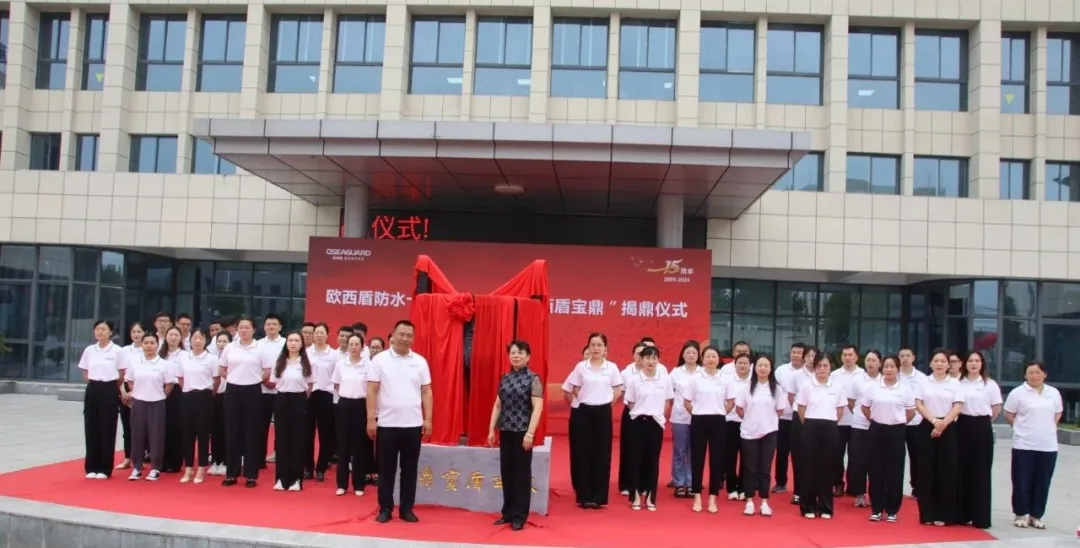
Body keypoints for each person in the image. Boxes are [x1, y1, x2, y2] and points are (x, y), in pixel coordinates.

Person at [367, 320, 432, 523]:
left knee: (409, 469)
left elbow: (426, 391)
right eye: (401, 334)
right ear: (393, 336)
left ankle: (406, 509)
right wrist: (370, 418)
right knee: (386, 469)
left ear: (413, 338)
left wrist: (428, 418)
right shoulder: (380, 360)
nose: (405, 339)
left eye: (409, 335)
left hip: (413, 425)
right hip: (387, 424)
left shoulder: (420, 361)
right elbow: (372, 390)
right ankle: (385, 508)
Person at [487, 340, 544, 530]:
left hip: (522, 433)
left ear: (528, 357)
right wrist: (491, 429)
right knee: (507, 473)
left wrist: (530, 433)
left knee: (521, 475)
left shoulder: (533, 379)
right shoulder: (505, 377)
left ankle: (519, 516)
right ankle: (508, 513)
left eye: (520, 352)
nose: (516, 356)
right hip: (506, 431)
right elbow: (498, 405)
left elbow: (537, 409)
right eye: (513, 352)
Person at [564, 332, 622, 509]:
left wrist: (605, 404)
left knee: (602, 453)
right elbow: (573, 388)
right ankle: (584, 495)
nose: (596, 348)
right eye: (593, 345)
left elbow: (617, 391)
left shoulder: (611, 367)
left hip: (603, 413)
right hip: (583, 412)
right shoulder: (581, 366)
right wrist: (583, 400)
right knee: (582, 453)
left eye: (599, 345)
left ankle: (598, 497)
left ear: (605, 348)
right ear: (589, 347)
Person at [1004, 361, 1063, 530]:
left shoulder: (1053, 393)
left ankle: (1036, 515)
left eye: (1038, 372)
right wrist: (1020, 429)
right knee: (1022, 480)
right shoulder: (1018, 393)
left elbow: (1057, 413)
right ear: (1025, 375)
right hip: (1024, 444)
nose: (1034, 376)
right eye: (1030, 372)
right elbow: (1009, 414)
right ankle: (1020, 514)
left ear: (1044, 374)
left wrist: (1048, 428)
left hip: (1048, 445)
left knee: (1042, 482)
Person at [860, 355, 916, 523]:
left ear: (897, 369)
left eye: (892, 366)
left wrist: (898, 422)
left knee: (895, 470)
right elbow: (865, 407)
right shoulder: (873, 387)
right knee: (875, 469)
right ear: (882, 368)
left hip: (896, 431)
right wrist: (875, 420)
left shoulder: (905, 389)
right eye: (886, 366)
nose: (889, 369)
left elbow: (911, 412)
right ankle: (876, 508)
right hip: (876, 429)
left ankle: (892, 509)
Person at [913, 348, 965, 526]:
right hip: (927, 425)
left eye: (943, 361)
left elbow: (957, 407)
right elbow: (919, 404)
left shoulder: (955, 384)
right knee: (926, 471)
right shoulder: (923, 382)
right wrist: (934, 421)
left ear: (948, 365)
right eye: (936, 361)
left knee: (946, 471)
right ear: (930, 363)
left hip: (948, 427)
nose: (939, 364)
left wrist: (943, 424)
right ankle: (927, 513)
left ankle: (943, 514)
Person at [218, 317, 271, 488]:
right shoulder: (230, 347)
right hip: (233, 390)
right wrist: (234, 378)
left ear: (253, 330)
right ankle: (231, 473)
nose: (243, 330)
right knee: (231, 431)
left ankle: (251, 474)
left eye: (247, 327)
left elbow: (268, 370)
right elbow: (222, 369)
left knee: (252, 432)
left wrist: (255, 379)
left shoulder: (260, 348)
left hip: (253, 391)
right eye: (241, 327)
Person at [795, 354, 846, 519]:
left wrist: (830, 423)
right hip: (810, 426)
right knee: (809, 466)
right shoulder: (806, 385)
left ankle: (825, 507)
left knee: (828, 467)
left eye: (825, 365)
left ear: (830, 367)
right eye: (819, 366)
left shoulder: (837, 386)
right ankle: (808, 506)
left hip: (830, 426)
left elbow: (840, 409)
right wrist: (809, 424)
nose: (822, 369)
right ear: (814, 367)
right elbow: (801, 408)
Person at [735, 354, 787, 517]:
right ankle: (749, 501)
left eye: (766, 365)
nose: (763, 368)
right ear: (754, 368)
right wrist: (750, 420)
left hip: (769, 433)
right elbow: (739, 408)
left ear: (770, 369)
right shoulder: (747, 387)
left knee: (765, 469)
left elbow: (780, 410)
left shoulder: (776, 389)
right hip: (749, 433)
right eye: (760, 365)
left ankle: (764, 502)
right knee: (750, 468)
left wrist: (768, 421)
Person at [623, 346, 673, 511]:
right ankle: (636, 495)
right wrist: (641, 412)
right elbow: (630, 403)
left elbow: (668, 401)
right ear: (641, 360)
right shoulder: (634, 380)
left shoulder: (664, 379)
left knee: (653, 461)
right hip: (638, 422)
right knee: (636, 459)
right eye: (647, 358)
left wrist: (657, 414)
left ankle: (651, 497)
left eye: (654, 358)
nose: (651, 361)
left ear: (658, 360)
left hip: (656, 423)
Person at [684, 345, 732, 514]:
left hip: (718, 421)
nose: (711, 359)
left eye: (714, 356)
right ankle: (697, 496)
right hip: (699, 420)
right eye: (708, 356)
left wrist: (721, 413)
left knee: (716, 461)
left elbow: (731, 402)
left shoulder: (725, 379)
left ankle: (712, 497)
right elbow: (687, 402)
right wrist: (697, 413)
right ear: (702, 359)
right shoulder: (695, 379)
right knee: (697, 460)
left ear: (719, 359)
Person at [956, 351, 1001, 529]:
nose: (973, 364)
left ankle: (980, 517)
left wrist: (982, 422)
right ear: (964, 363)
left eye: (977, 361)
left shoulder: (989, 384)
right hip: (962, 425)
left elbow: (996, 408)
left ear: (982, 364)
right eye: (970, 361)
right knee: (962, 469)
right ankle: (961, 514)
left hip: (982, 426)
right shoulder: (958, 382)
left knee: (981, 471)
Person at [267, 331, 313, 491]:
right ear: (286, 343)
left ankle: (296, 480)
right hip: (282, 400)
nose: (293, 343)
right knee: (281, 440)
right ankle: (281, 478)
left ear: (301, 344)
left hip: (299, 400)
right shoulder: (279, 362)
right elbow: (274, 382)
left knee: (297, 440)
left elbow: (310, 386)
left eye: (296, 340)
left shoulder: (306, 363)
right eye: (290, 340)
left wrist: (301, 400)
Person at [80, 320, 125, 479]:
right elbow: (85, 372)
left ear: (111, 332)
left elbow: (122, 373)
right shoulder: (89, 350)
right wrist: (95, 383)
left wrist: (111, 387)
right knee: (91, 426)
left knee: (107, 427)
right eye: (97, 329)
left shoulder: (118, 351)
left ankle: (105, 468)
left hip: (109, 388)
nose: (100, 332)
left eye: (104, 329)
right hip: (93, 388)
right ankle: (91, 467)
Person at [126, 333, 174, 481]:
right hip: (138, 403)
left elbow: (169, 384)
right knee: (137, 435)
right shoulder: (135, 362)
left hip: (157, 403)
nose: (149, 346)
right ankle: (136, 467)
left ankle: (155, 468)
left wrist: (161, 396)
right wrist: (136, 392)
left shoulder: (164, 364)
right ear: (142, 345)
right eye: (146, 343)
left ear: (157, 345)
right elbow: (129, 381)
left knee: (156, 435)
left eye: (152, 343)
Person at [175, 328, 219, 484]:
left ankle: (201, 467)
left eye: (201, 338)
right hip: (188, 396)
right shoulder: (183, 357)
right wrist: (189, 389)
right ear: (190, 340)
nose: (198, 341)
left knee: (203, 433)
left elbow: (216, 380)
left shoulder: (212, 359)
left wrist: (208, 393)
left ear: (206, 340)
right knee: (187, 433)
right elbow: (180, 379)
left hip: (205, 397)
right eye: (195, 338)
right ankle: (188, 467)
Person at [333, 333, 372, 496]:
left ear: (362, 346)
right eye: (351, 344)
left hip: (361, 406)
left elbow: (372, 388)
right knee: (342, 445)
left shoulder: (368, 365)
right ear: (347, 346)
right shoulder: (341, 364)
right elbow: (336, 385)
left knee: (359, 445)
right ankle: (342, 484)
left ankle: (358, 484)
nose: (354, 347)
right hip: (344, 405)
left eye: (357, 344)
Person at [830, 344, 868, 498]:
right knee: (836, 455)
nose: (847, 358)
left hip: (857, 423)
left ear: (856, 357)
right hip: (839, 421)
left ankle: (854, 486)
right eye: (844, 355)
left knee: (856, 457)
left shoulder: (863, 375)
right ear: (841, 357)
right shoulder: (834, 375)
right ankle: (838, 484)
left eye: (850, 355)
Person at [779, 345, 816, 506]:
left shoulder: (822, 374)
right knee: (798, 455)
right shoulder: (796, 376)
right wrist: (801, 412)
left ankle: (814, 490)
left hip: (817, 418)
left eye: (814, 356)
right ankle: (798, 491)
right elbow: (791, 396)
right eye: (808, 356)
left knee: (815, 456)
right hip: (799, 417)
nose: (811, 359)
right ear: (804, 357)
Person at [846, 350, 882, 508]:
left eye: (874, 360)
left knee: (876, 461)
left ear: (880, 363)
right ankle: (859, 494)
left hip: (879, 425)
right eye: (868, 360)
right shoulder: (857, 380)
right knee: (858, 461)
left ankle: (876, 495)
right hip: (859, 425)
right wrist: (862, 414)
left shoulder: (884, 380)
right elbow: (851, 401)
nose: (870, 363)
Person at [306, 323, 339, 482]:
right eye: (316, 333)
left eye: (322, 333)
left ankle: (321, 468)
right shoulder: (306, 352)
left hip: (327, 395)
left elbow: (337, 376)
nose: (319, 335)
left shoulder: (333, 355)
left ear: (327, 335)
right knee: (307, 433)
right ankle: (307, 467)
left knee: (325, 434)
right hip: (309, 395)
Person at [669, 340, 701, 498]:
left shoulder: (703, 372)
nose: (691, 355)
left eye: (694, 352)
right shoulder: (676, 373)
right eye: (688, 352)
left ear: (698, 355)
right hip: (680, 417)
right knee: (680, 451)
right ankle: (679, 482)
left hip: (699, 418)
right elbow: (669, 394)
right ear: (682, 354)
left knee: (694, 451)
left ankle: (691, 483)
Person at [771, 342, 805, 494]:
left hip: (802, 419)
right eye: (794, 352)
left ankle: (801, 485)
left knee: (800, 454)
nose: (796, 355)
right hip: (783, 418)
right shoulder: (781, 371)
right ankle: (780, 482)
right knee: (782, 452)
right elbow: (774, 392)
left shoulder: (807, 373)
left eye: (799, 352)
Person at [115, 321, 146, 472]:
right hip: (124, 389)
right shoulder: (124, 351)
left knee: (141, 427)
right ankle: (127, 457)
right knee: (127, 426)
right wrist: (123, 392)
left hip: (142, 390)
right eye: (133, 332)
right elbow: (120, 373)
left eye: (139, 332)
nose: (136, 334)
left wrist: (134, 393)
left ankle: (140, 458)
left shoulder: (149, 349)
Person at [618, 342, 647, 496]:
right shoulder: (626, 372)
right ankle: (626, 484)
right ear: (633, 355)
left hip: (648, 413)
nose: (640, 356)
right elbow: (622, 393)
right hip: (630, 413)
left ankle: (643, 484)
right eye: (637, 353)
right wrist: (633, 407)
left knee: (645, 449)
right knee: (628, 448)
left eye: (643, 353)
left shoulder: (654, 371)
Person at [897, 347, 926, 497]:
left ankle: (917, 486)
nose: (905, 358)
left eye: (908, 355)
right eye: (902, 356)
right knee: (896, 457)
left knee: (917, 457)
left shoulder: (922, 378)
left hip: (916, 423)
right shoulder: (893, 375)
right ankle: (895, 487)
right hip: (897, 422)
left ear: (913, 358)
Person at [724, 353, 752, 501]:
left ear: (750, 366)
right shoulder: (727, 380)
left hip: (748, 424)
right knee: (730, 457)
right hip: (730, 422)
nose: (742, 365)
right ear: (734, 365)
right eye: (739, 363)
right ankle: (731, 488)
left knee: (747, 458)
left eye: (745, 363)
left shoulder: (753, 381)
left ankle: (743, 487)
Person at [258, 314, 285, 469]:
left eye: (274, 324)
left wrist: (276, 381)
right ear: (264, 326)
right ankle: (259, 458)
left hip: (281, 390)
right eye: (268, 324)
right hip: (262, 390)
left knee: (281, 427)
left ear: (280, 327)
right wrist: (264, 379)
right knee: (260, 426)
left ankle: (279, 455)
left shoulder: (286, 343)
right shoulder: (258, 344)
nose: (271, 327)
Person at [160, 326, 186, 473]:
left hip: (178, 390)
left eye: (176, 335)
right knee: (162, 425)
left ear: (180, 338)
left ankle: (175, 462)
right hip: (161, 390)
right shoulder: (160, 354)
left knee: (176, 426)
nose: (173, 337)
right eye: (171, 334)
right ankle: (162, 460)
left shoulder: (185, 355)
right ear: (166, 337)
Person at [209, 331, 232, 476]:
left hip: (228, 395)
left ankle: (226, 461)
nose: (222, 344)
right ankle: (216, 460)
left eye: (225, 341)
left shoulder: (232, 358)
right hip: (214, 396)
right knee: (215, 429)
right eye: (219, 341)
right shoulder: (212, 358)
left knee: (226, 429)